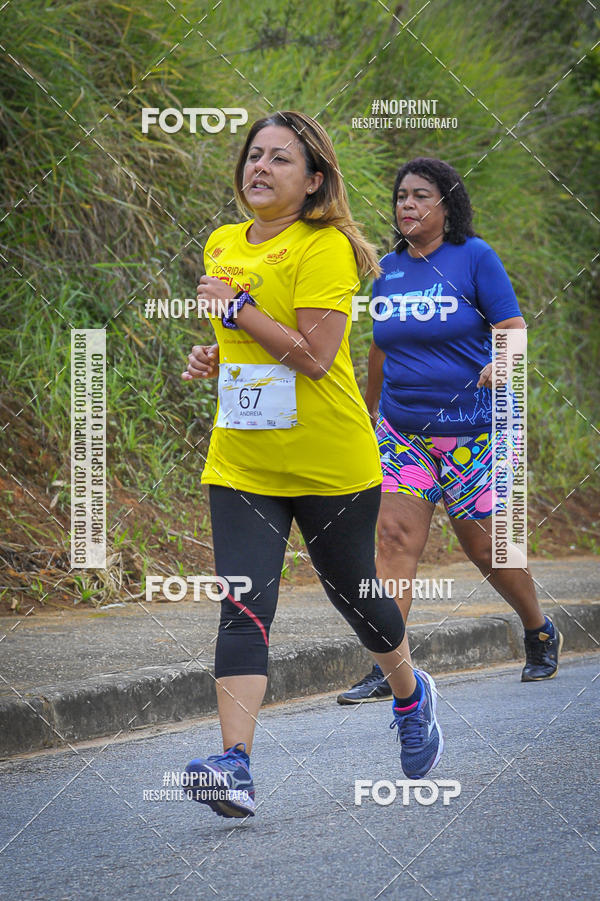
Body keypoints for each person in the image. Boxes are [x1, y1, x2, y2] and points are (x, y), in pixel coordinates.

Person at [181, 115, 443, 819]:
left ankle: (410, 693)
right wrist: (213, 356)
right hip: (243, 461)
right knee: (243, 605)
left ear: (314, 180)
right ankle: (235, 764)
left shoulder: (324, 246)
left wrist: (235, 310)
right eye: (253, 155)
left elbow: (315, 355)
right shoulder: (222, 243)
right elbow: (248, 349)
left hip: (330, 463)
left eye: (280, 159)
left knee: (359, 600)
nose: (260, 167)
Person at [337, 157, 562, 706]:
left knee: (488, 552)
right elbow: (380, 345)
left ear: (446, 205)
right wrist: (367, 412)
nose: (407, 205)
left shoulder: (474, 258)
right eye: (400, 196)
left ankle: (537, 628)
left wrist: (500, 364)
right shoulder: (387, 266)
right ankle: (389, 663)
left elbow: (512, 328)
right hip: (402, 432)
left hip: (474, 432)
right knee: (393, 540)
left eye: (420, 196)